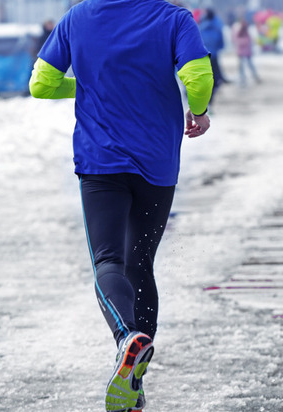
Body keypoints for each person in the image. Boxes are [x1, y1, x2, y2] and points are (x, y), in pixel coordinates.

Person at [28, 1, 213, 411]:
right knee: (140, 263)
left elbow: (41, 83)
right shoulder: (174, 18)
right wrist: (198, 112)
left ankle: (126, 338)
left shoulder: (77, 18)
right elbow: (197, 78)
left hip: (100, 163)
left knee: (108, 262)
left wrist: (92, 83)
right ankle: (135, 384)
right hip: (157, 162)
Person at [199, 8, 225, 106]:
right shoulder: (217, 27)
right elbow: (221, 43)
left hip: (202, 57)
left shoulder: (200, 27)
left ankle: (204, 101)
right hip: (213, 56)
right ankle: (209, 101)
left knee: (204, 80)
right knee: (216, 79)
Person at [232, 17, 260, 87]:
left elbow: (250, 41)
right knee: (242, 65)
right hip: (243, 51)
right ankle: (244, 77)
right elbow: (237, 40)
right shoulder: (239, 32)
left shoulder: (247, 31)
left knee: (246, 65)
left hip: (245, 51)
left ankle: (252, 76)